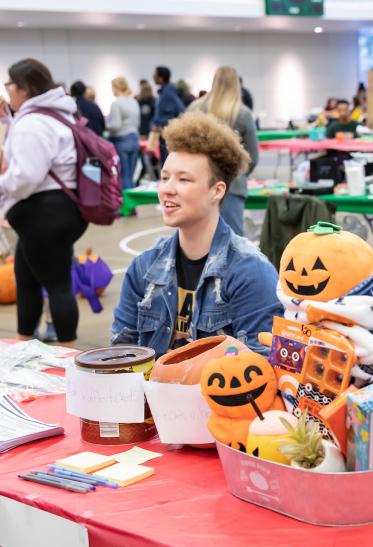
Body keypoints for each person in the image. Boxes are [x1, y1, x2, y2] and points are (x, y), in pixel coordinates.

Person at [111, 111, 281, 356]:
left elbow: (261, 366)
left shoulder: (250, 272)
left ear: (217, 191)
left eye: (184, 180)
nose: (168, 189)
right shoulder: (144, 268)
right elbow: (120, 352)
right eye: (164, 177)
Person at [0, 58, 88, 347]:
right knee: (26, 279)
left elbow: (26, 176)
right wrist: (6, 120)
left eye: (9, 85)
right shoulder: (55, 115)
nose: (7, 91)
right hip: (56, 211)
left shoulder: (34, 122)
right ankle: (24, 343)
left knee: (57, 286)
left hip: (44, 214)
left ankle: (66, 353)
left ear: (24, 88)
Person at [186, 66, 259, 236]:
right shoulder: (243, 113)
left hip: (198, 184)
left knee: (197, 240)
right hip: (232, 185)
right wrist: (240, 175)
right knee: (233, 243)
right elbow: (253, 157)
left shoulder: (194, 109)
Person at [107, 76, 141, 190]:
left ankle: (125, 205)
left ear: (116, 87)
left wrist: (105, 125)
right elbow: (137, 122)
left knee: (123, 176)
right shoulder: (134, 102)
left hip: (121, 140)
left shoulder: (116, 104)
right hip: (134, 139)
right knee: (130, 176)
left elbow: (115, 126)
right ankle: (132, 205)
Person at [150, 66, 187, 167]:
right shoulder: (163, 93)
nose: (152, 76)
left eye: (155, 75)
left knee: (167, 164)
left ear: (161, 78)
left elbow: (182, 111)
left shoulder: (168, 94)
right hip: (163, 135)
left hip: (167, 135)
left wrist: (165, 123)